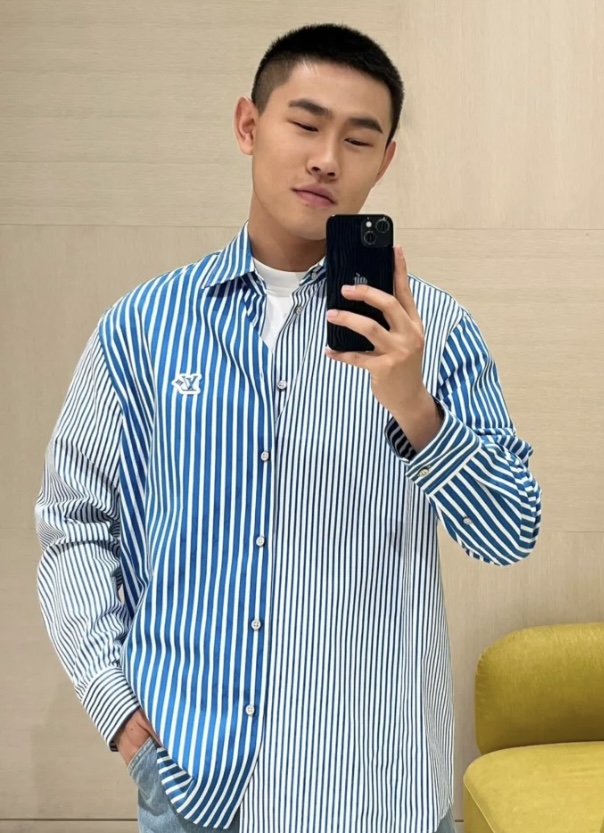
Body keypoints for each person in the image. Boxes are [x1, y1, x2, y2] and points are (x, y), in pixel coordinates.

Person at [35, 22, 542, 833]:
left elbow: (510, 531)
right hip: (195, 787)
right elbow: (74, 523)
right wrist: (118, 707)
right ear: (249, 124)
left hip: (382, 791)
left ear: (386, 160)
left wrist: (415, 407)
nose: (327, 158)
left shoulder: (436, 333)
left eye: (359, 139)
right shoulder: (142, 327)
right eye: (305, 124)